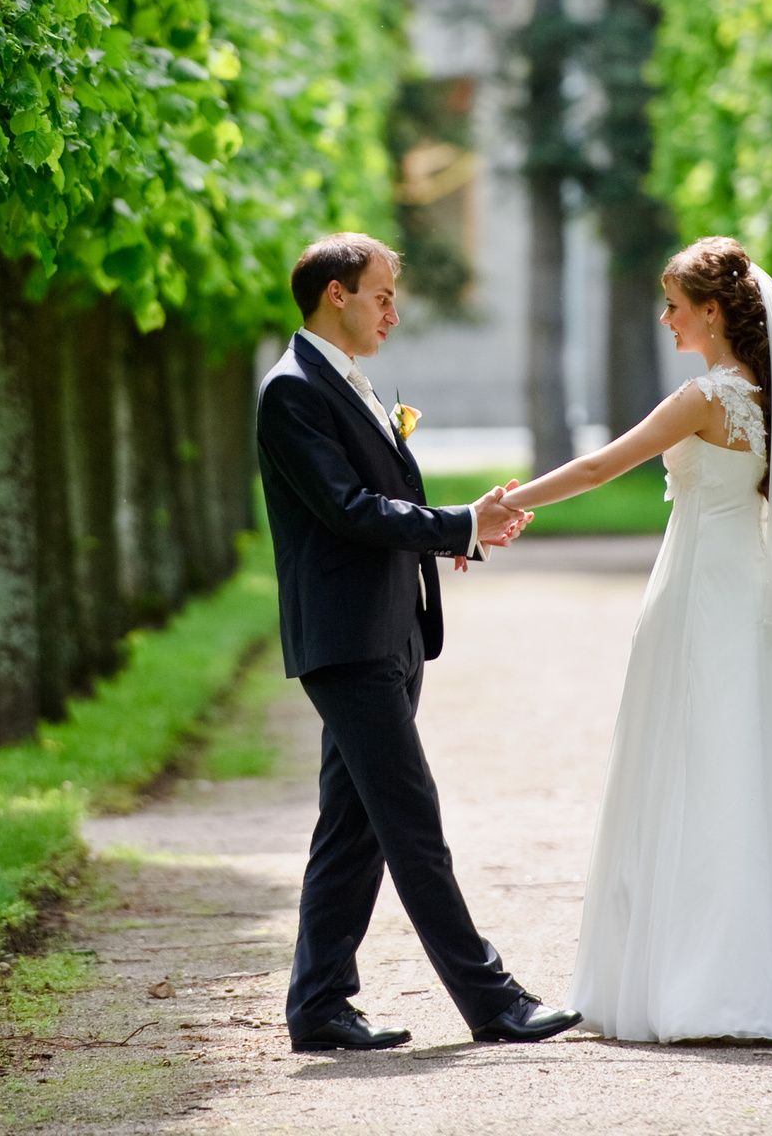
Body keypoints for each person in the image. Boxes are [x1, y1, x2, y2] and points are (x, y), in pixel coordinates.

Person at [494, 236, 772, 1045]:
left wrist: (503, 506)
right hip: (746, 591)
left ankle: (705, 978)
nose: (666, 320)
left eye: (675, 306)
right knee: (760, 764)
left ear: (713, 312)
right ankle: (766, 963)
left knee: (694, 762)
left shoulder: (705, 397)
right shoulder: (766, 393)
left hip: (699, 593)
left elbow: (598, 469)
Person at [255, 232, 582, 1052]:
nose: (393, 314)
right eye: (383, 296)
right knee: (411, 820)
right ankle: (493, 1001)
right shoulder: (290, 390)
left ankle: (318, 1005)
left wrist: (456, 532)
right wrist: (459, 524)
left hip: (393, 630)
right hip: (347, 641)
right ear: (336, 294)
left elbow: (382, 495)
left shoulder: (346, 381)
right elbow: (346, 510)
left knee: (353, 828)